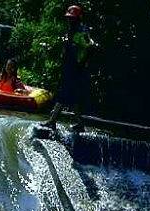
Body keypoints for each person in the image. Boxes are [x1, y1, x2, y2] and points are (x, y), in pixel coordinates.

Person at [44, 4, 96, 132]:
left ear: (78, 19)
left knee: (63, 94)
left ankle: (52, 121)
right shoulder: (71, 31)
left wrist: (81, 63)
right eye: (69, 18)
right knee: (73, 97)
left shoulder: (81, 32)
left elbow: (91, 46)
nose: (69, 20)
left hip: (76, 69)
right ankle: (79, 123)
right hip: (69, 68)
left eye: (72, 18)